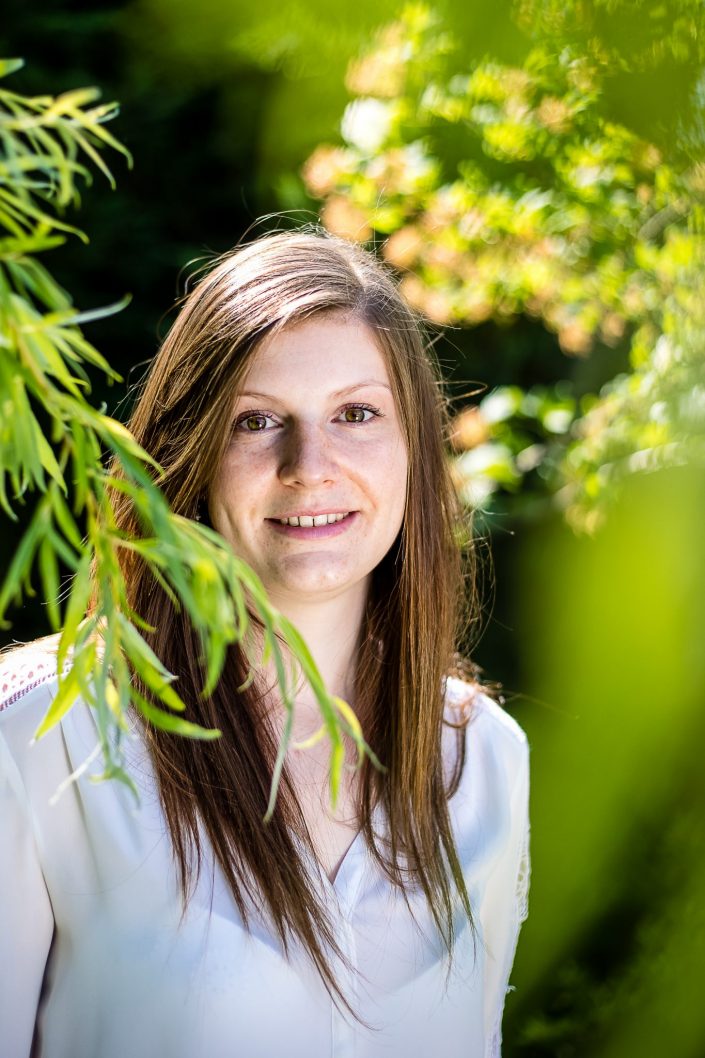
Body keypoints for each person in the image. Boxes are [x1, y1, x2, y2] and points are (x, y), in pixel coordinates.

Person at [0, 229, 530, 1058]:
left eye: (356, 414)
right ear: (189, 452)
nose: (309, 465)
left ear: (415, 450)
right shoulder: (41, 734)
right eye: (256, 421)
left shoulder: (483, 761)